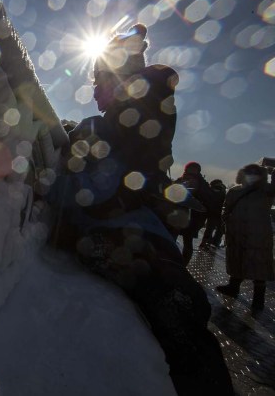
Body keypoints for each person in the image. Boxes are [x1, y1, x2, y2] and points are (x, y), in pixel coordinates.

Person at [48, 24, 233, 395]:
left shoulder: (115, 122)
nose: (95, 94)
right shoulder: (119, 124)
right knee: (185, 328)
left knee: (182, 326)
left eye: (98, 84)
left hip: (134, 237)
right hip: (138, 234)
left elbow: (88, 191)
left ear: (117, 81)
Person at [216, 164, 275, 311]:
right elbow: (226, 208)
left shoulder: (266, 190)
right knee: (236, 258)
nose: (252, 175)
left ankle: (258, 299)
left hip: (258, 234)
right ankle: (233, 287)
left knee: (259, 264)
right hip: (236, 232)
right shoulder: (234, 191)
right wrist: (226, 222)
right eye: (249, 172)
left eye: (256, 173)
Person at [173, 162, 215, 265]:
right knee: (173, 239)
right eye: (190, 168)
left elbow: (207, 199)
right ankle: (172, 262)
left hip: (192, 218)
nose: (191, 171)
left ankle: (182, 265)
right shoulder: (181, 180)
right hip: (177, 216)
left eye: (194, 169)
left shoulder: (201, 183)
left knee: (187, 241)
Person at [199, 179, 227, 250]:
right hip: (216, 213)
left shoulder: (210, 190)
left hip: (210, 212)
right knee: (216, 229)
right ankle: (210, 243)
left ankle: (205, 243)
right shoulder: (222, 192)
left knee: (210, 229)